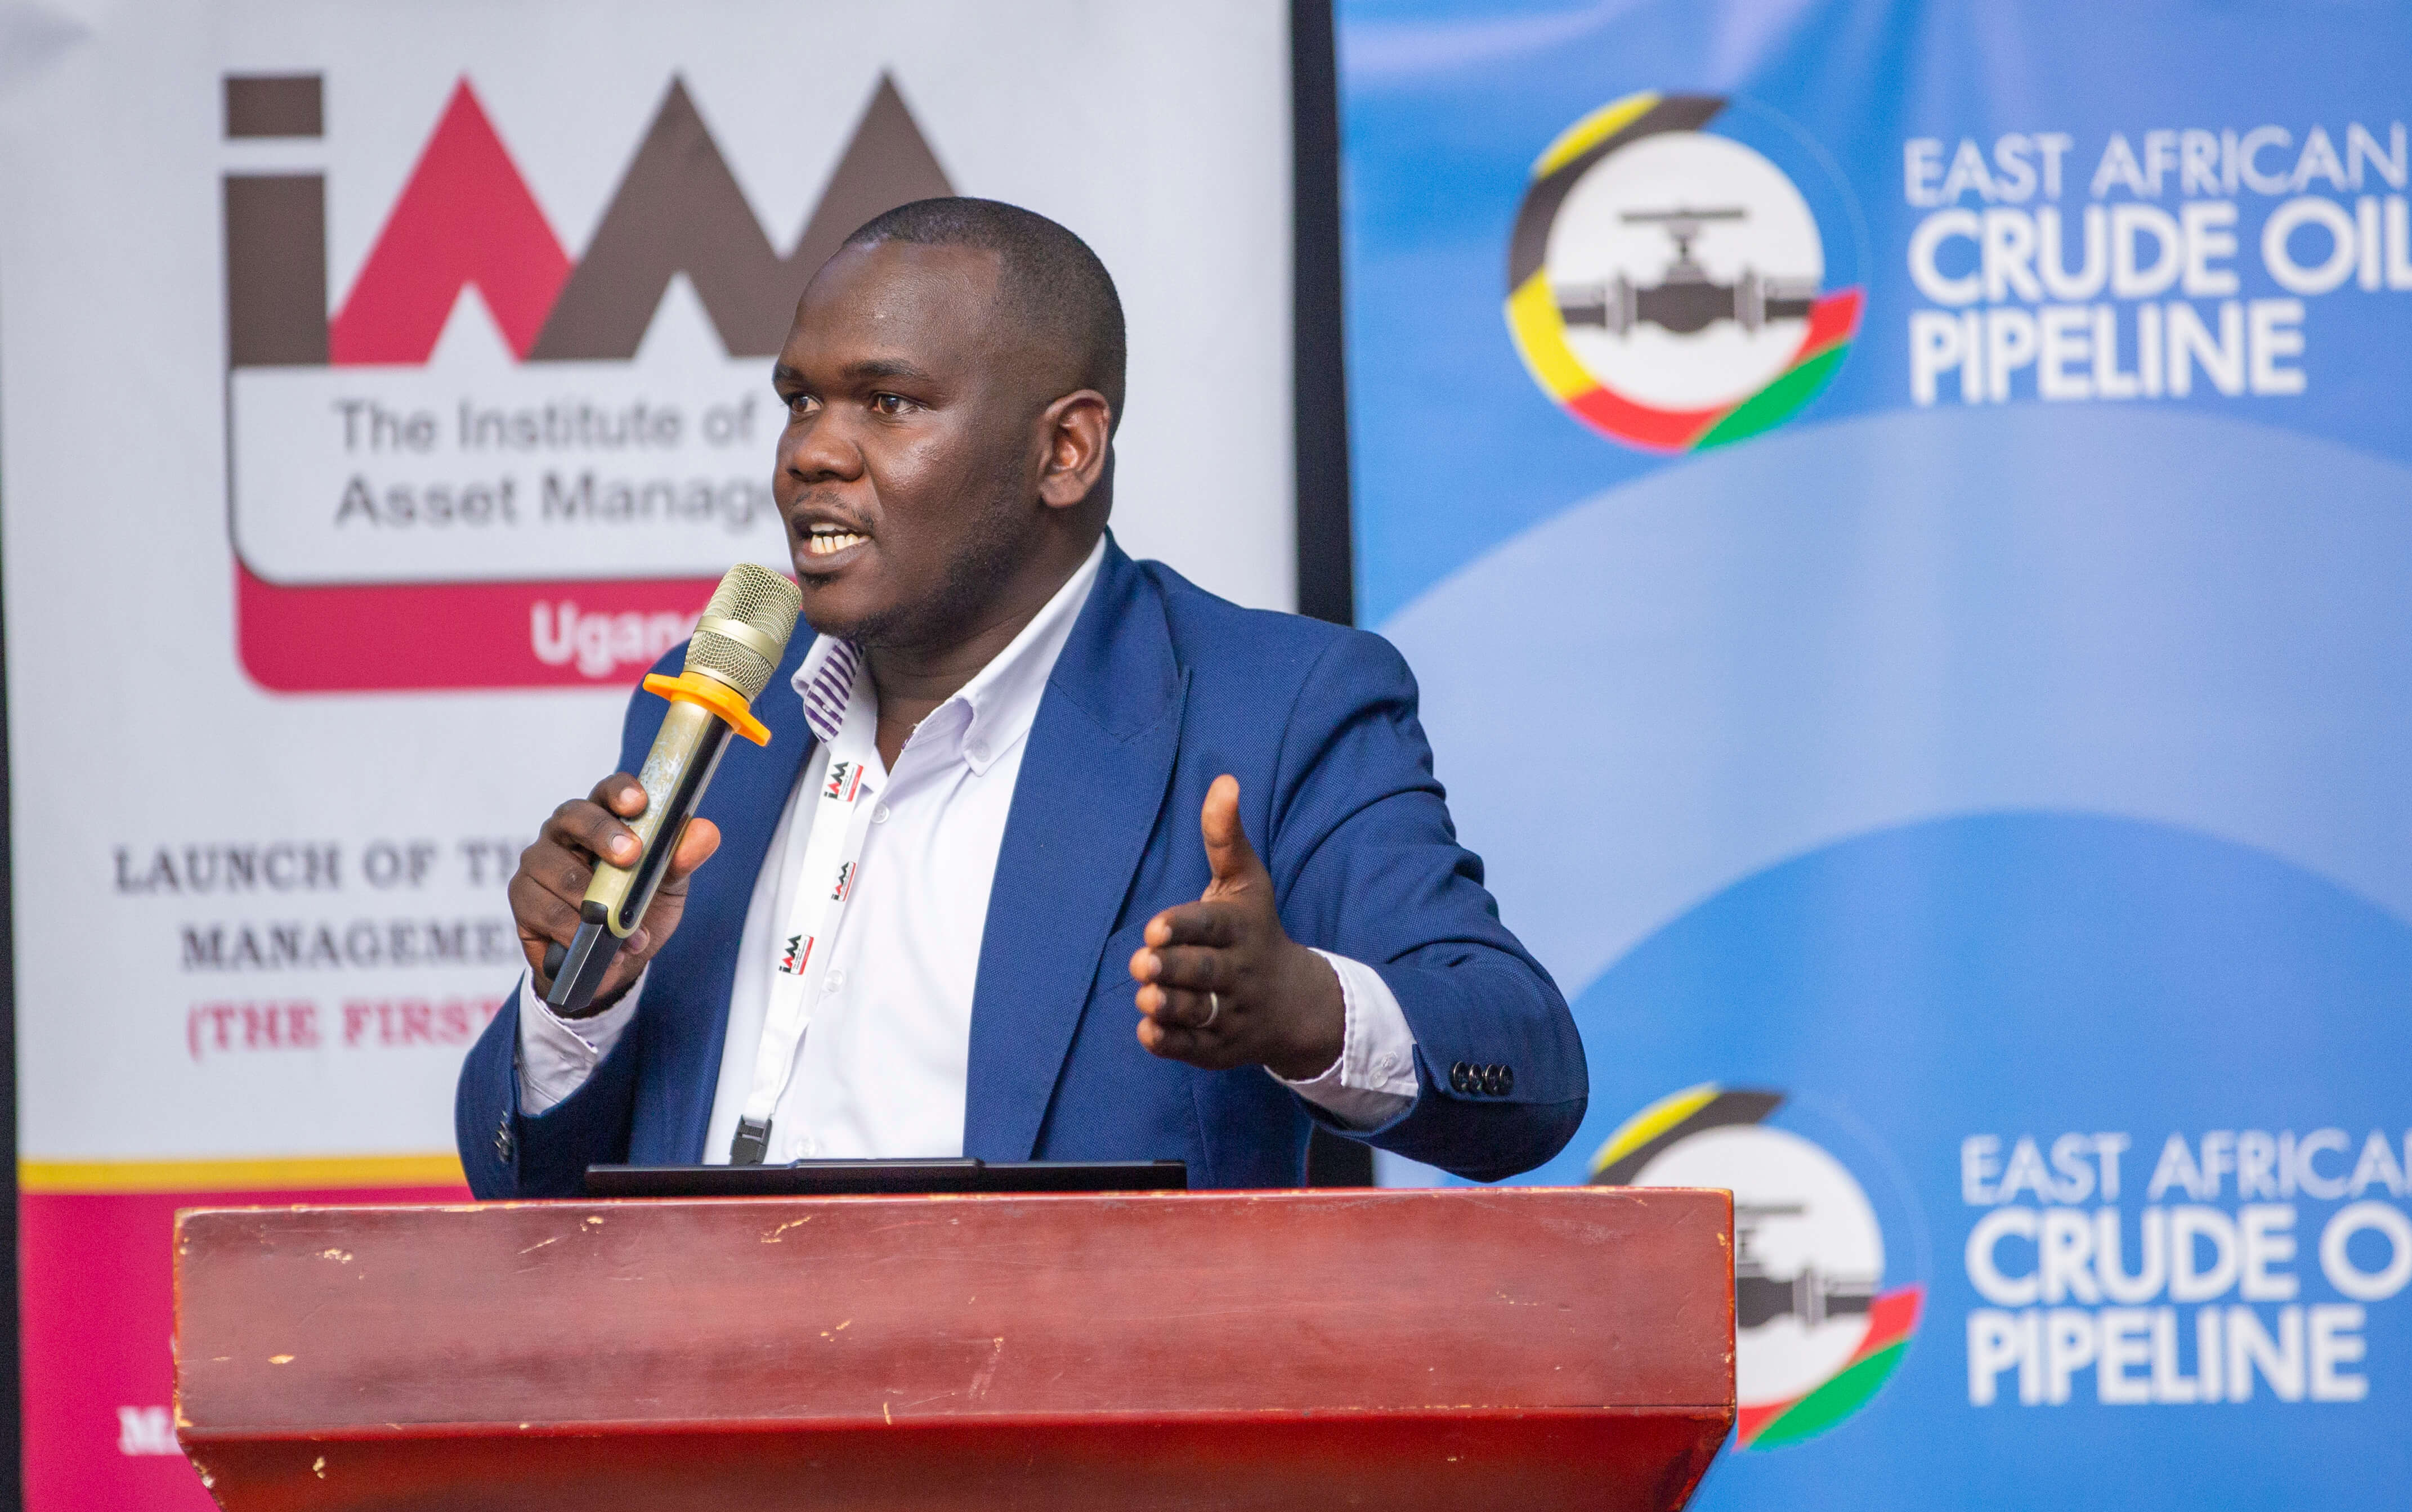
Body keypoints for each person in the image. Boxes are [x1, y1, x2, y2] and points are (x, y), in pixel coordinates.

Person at [454, 198, 1584, 1192]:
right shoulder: (713, 719)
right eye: (800, 401)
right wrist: (579, 1000)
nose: (811, 454)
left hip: (1058, 1375)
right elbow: (525, 1187)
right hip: (707, 1369)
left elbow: (1524, 1068)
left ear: (1066, 450)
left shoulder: (1276, 708)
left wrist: (1302, 1008)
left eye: (887, 403)